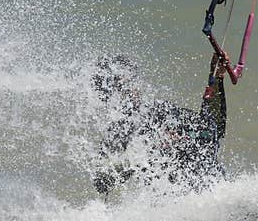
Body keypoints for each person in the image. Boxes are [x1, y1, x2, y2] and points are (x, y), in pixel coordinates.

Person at [91, 54, 227, 195]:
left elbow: (213, 129)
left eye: (132, 81)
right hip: (177, 204)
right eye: (120, 85)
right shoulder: (117, 134)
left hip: (216, 191)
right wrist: (142, 155)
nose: (131, 90)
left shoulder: (161, 110)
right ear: (108, 94)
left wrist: (216, 79)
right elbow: (101, 184)